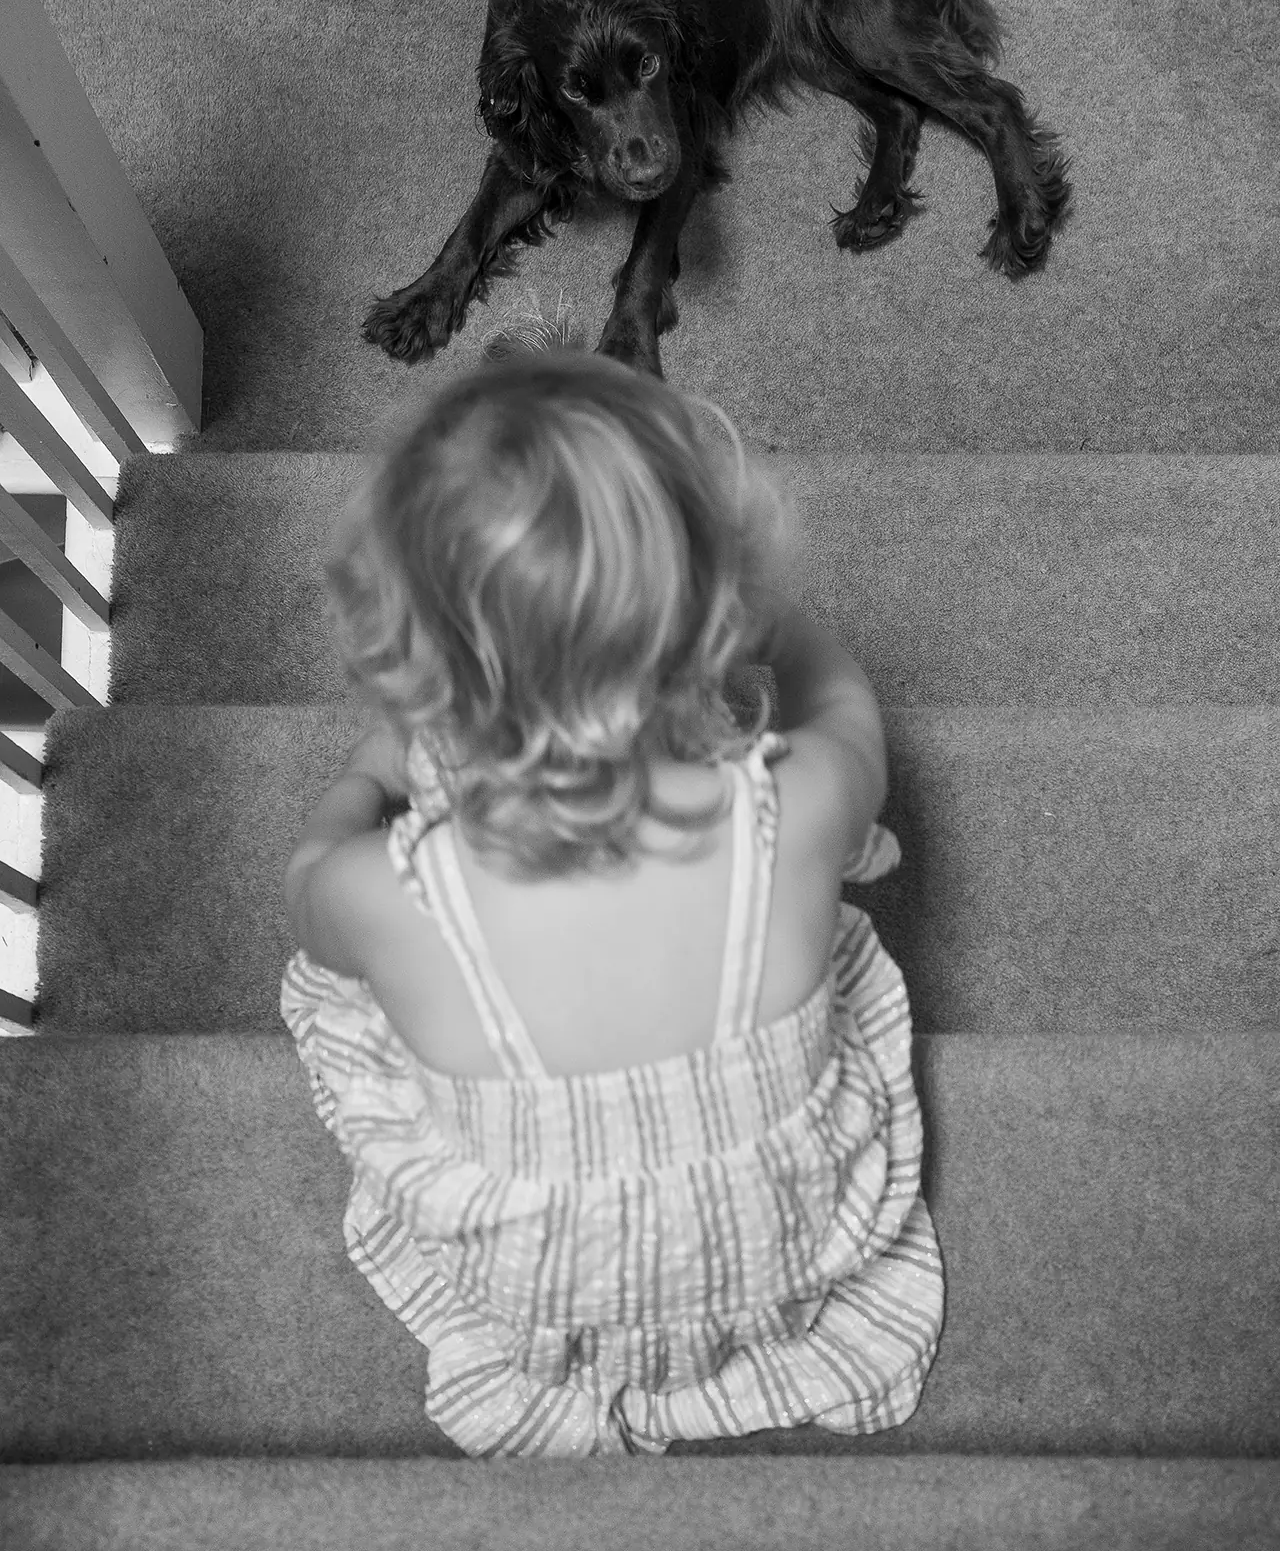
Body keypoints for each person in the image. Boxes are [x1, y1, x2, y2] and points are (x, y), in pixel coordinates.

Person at [281, 345, 943, 1458]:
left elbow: (305, 894)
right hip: (775, 1254)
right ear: (713, 622)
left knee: (336, 986)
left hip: (542, 1291)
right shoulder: (794, 804)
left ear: (417, 670)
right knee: (827, 935)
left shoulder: (387, 891)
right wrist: (779, 631)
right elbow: (846, 716)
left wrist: (365, 780)